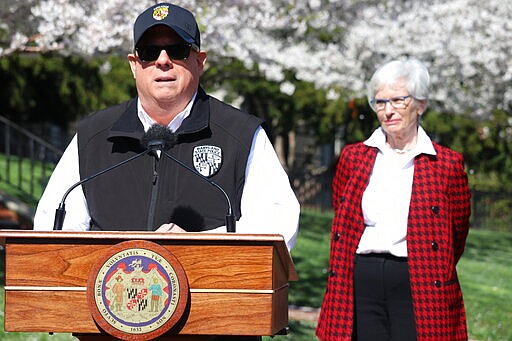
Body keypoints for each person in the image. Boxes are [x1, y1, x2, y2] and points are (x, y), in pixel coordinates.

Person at [33, 1, 299, 254]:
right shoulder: (93, 136)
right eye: (149, 52)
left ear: (199, 61)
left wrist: (190, 247)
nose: (162, 60)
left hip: (209, 298)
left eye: (177, 49)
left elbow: (277, 229)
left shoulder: (241, 134)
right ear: (134, 65)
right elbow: (52, 230)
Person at [316, 58, 471, 341]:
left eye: (399, 100)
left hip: (420, 279)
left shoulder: (447, 165)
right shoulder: (354, 157)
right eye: (380, 102)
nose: (389, 111)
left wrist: (432, 260)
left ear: (420, 104)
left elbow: (456, 233)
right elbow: (343, 214)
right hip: (360, 278)